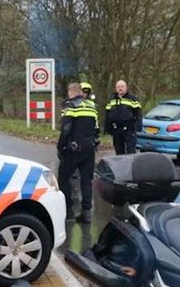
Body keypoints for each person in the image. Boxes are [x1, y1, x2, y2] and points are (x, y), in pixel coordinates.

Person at [57, 82, 100, 223]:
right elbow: (96, 129)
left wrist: (61, 147)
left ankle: (68, 211)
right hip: (89, 148)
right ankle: (86, 213)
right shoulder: (92, 106)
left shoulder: (70, 106)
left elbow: (66, 130)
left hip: (73, 148)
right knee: (86, 180)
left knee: (63, 178)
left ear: (71, 92)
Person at [104, 79, 143, 154]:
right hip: (117, 129)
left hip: (129, 129)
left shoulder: (133, 99)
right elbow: (107, 115)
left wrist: (137, 127)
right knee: (118, 151)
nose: (120, 88)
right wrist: (107, 128)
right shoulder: (111, 100)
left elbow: (138, 114)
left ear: (126, 88)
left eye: (122, 86)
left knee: (131, 151)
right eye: (118, 87)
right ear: (116, 88)